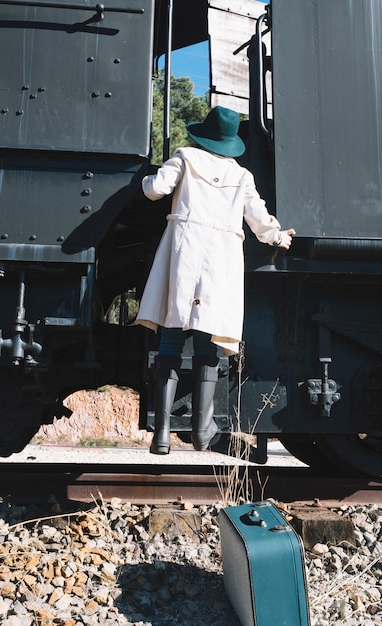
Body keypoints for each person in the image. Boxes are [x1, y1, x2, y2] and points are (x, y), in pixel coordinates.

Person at [136, 105, 295, 455]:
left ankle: (161, 434)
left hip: (184, 250)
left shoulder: (185, 157)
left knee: (171, 337)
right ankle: (202, 431)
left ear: (203, 136)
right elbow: (257, 218)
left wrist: (144, 178)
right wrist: (278, 236)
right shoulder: (241, 176)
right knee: (208, 342)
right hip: (221, 258)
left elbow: (155, 190)